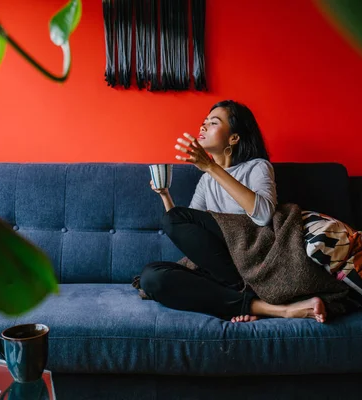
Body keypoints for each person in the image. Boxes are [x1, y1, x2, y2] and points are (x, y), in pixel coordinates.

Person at [139, 100, 327, 324]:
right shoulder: (206, 180)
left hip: (253, 263)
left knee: (175, 219)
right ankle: (268, 307)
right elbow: (185, 230)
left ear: (234, 138)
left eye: (213, 122)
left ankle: (243, 295)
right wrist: (165, 195)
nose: (203, 127)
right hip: (221, 269)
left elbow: (264, 215)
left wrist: (211, 167)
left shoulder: (257, 167)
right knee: (151, 277)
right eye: (204, 122)